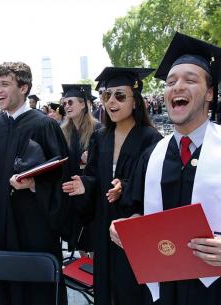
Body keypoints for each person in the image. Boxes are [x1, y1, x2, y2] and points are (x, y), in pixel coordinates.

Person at [111, 31, 221, 305]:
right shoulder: (152, 157)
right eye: (171, 81)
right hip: (165, 290)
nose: (177, 86)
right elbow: (137, 209)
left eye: (190, 79)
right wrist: (127, 227)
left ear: (209, 93)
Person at [62, 67, 162, 305]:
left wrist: (126, 187)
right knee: (105, 287)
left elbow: (155, 185)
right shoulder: (101, 136)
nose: (111, 102)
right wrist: (84, 183)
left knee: (131, 288)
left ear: (135, 101)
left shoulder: (151, 138)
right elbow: (94, 174)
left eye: (120, 96)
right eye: (107, 96)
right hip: (103, 222)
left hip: (132, 222)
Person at [0, 62, 69, 305]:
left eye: (5, 84)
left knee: (39, 289)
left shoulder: (44, 125)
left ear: (24, 87)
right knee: (8, 286)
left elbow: (63, 177)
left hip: (36, 223)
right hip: (3, 223)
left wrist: (35, 185)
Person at [59, 84, 101, 256]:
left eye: (70, 102)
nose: (66, 106)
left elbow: (103, 165)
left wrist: (90, 159)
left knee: (93, 238)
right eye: (65, 103)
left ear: (83, 104)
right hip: (72, 194)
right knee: (79, 238)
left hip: (91, 194)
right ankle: (85, 271)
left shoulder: (98, 129)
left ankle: (95, 276)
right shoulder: (63, 131)